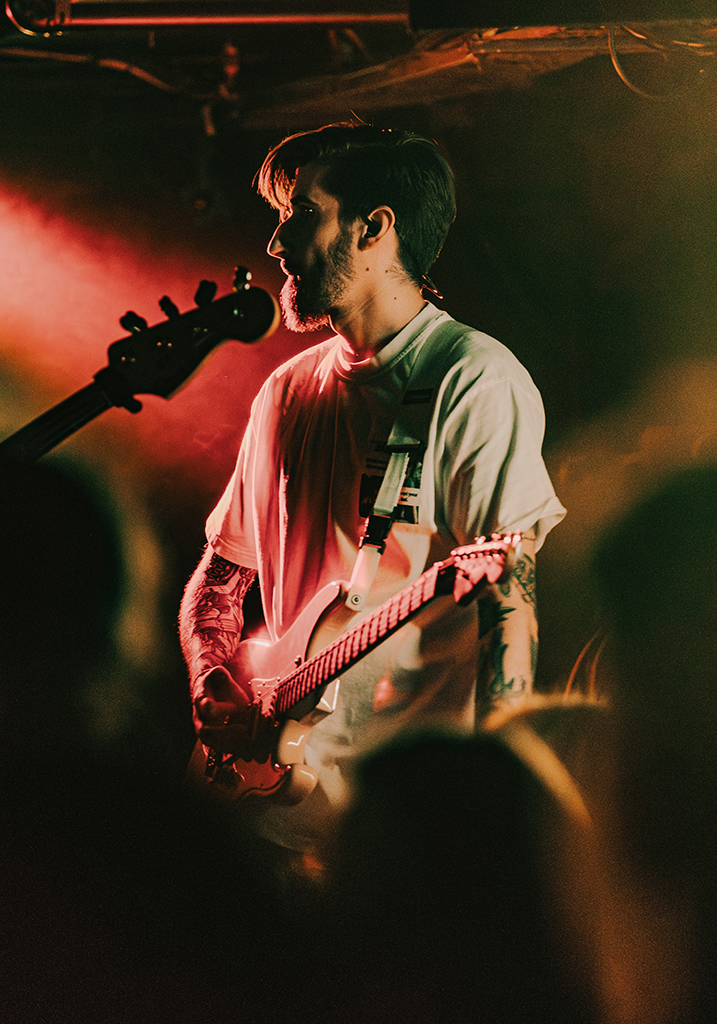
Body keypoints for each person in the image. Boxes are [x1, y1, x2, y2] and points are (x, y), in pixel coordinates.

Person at [179, 122, 565, 863]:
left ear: (374, 228)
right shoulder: (287, 390)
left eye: (299, 215)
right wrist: (212, 683)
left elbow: (506, 603)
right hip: (268, 803)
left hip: (404, 828)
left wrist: (489, 812)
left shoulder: (472, 379)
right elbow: (221, 577)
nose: (276, 244)